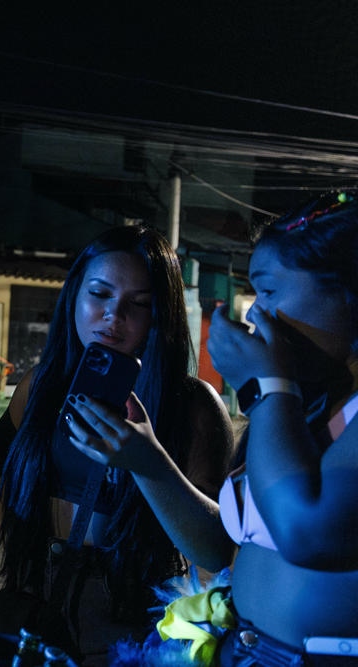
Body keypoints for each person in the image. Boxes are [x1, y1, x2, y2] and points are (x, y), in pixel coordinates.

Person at [0, 225, 233, 661]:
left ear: (162, 315)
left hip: (125, 614)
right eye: (99, 294)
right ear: (74, 295)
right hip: (28, 597)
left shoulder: (192, 405)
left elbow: (216, 548)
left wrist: (147, 462)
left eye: (138, 304)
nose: (113, 317)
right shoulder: (39, 386)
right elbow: (2, 460)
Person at [162, 192, 358, 665]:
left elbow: (305, 532)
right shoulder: (310, 400)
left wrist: (268, 386)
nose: (254, 313)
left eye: (268, 290)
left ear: (349, 291)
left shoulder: (284, 396)